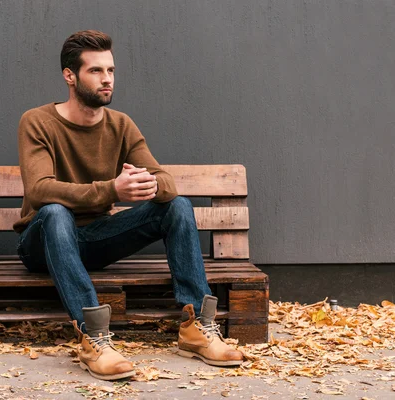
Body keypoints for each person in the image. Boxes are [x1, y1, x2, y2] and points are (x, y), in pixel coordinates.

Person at [15, 30, 244, 381]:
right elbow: (39, 190)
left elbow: (165, 183)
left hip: (94, 239)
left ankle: (196, 326)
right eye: (95, 71)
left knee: (177, 205)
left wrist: (149, 184)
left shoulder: (121, 125)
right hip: (42, 242)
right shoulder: (38, 121)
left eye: (111, 70)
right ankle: (93, 337)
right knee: (55, 212)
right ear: (70, 76)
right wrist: (112, 190)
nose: (107, 79)